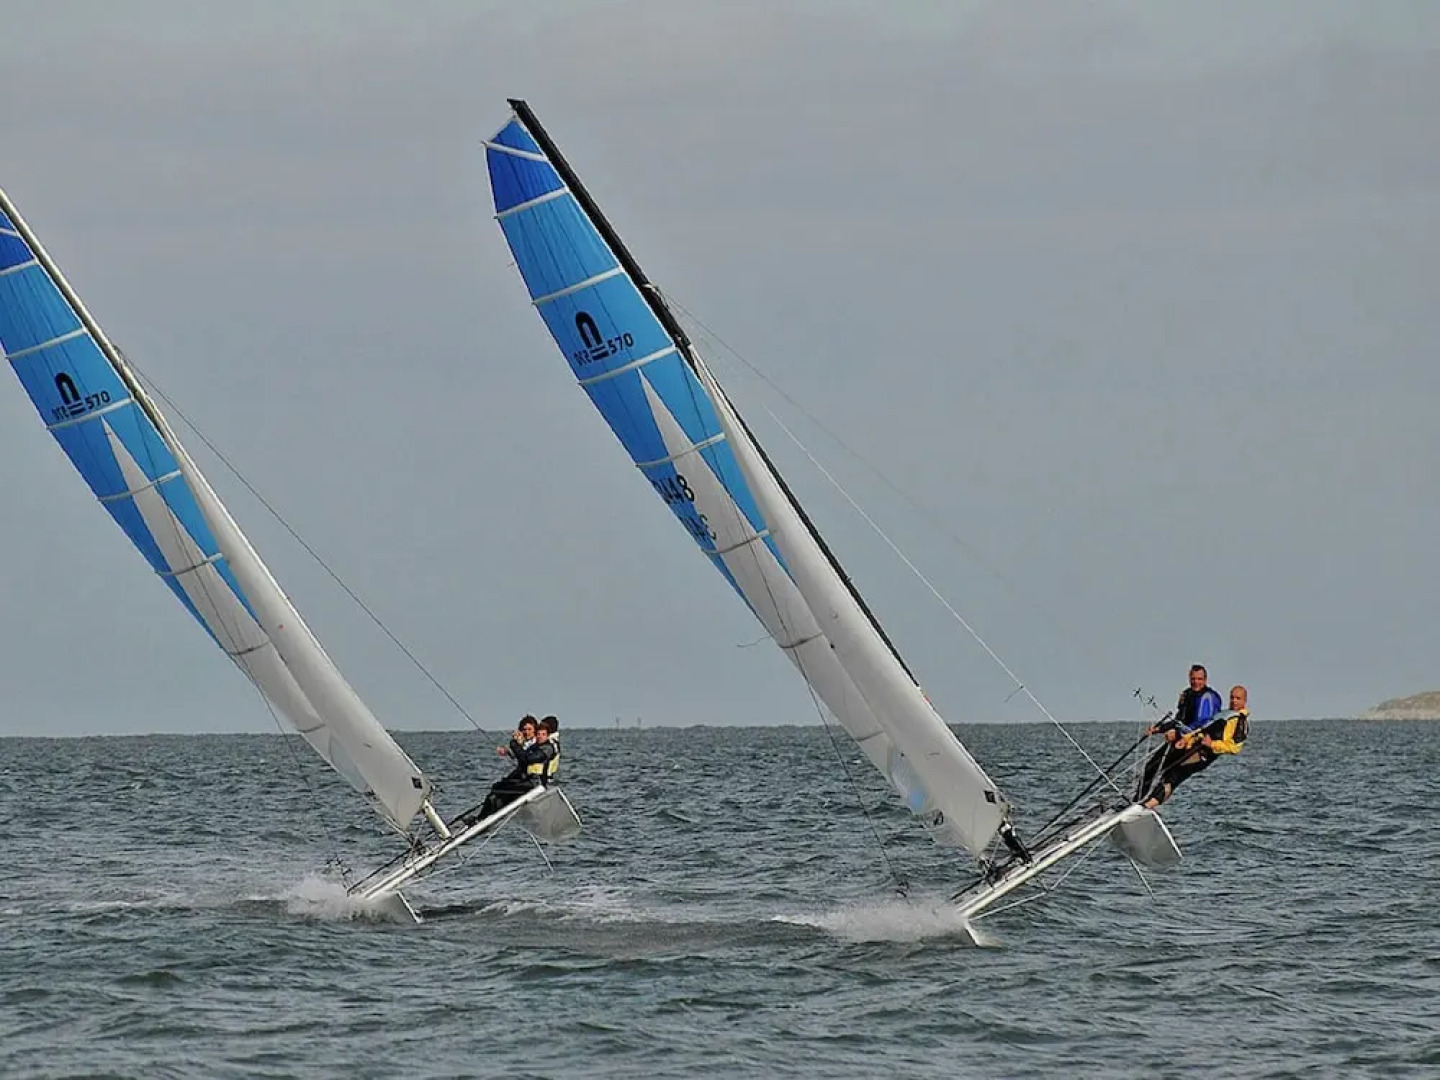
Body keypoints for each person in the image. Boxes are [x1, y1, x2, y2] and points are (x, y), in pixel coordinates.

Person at [1137, 684, 1249, 808]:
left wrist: (1212, 744)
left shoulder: (1240, 722)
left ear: (1244, 700)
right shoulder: (1224, 714)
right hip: (1191, 746)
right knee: (1159, 768)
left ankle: (1146, 806)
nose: (1234, 701)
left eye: (1238, 698)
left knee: (1173, 776)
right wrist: (1185, 739)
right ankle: (1138, 801)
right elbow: (1201, 730)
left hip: (1202, 754)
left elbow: (1234, 747)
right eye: (1232, 698)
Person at [478, 715, 556, 818]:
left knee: (499, 789)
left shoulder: (548, 748)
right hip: (527, 780)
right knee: (497, 789)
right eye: (538, 734)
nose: (539, 736)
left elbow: (528, 758)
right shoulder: (534, 746)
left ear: (547, 735)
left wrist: (514, 744)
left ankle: (484, 817)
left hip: (535, 783)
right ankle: (484, 816)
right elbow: (522, 755)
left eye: (543, 734)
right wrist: (511, 749)